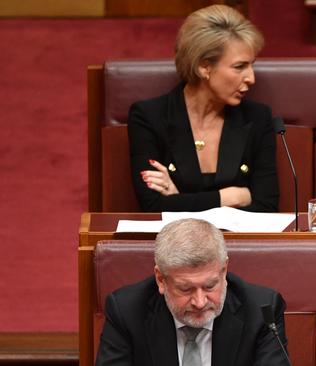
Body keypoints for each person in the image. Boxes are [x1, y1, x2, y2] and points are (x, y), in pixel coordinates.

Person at [129, 5, 279, 212]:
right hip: (175, 243)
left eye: (252, 65)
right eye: (239, 67)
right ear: (204, 67)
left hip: (240, 243)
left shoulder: (257, 118)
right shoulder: (149, 117)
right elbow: (153, 206)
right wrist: (230, 197)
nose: (251, 78)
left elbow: (266, 207)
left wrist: (180, 200)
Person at [95, 218, 289, 366]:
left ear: (224, 270)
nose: (200, 302)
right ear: (161, 279)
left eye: (210, 286)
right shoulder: (127, 311)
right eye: (186, 289)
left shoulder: (262, 310)